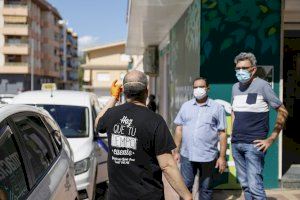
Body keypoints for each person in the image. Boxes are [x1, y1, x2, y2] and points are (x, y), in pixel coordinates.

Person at [95, 70, 192, 200]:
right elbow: (167, 165)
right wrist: (187, 196)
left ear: (124, 91)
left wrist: (114, 97)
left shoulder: (112, 114)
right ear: (146, 91)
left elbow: (98, 124)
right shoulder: (155, 120)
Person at [231, 52, 288, 200]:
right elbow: (234, 112)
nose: (240, 71)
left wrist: (271, 139)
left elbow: (282, 111)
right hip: (237, 144)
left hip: (254, 145)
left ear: (253, 69)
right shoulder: (235, 87)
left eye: (244, 68)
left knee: (255, 187)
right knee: (245, 186)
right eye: (237, 68)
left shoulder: (263, 86)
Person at [173, 77, 227, 200]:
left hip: (208, 156)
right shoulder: (186, 106)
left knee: (206, 189)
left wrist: (222, 157)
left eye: (201, 87)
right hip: (187, 155)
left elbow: (222, 133)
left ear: (208, 88)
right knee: (185, 187)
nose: (198, 90)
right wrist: (176, 151)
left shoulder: (217, 107)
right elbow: (179, 129)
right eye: (195, 87)